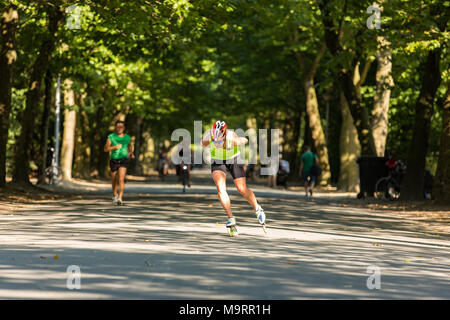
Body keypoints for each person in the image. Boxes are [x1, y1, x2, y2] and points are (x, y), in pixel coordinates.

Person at [201, 120, 266, 236]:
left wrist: (241, 140)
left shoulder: (231, 136)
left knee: (241, 189)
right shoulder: (209, 134)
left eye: (219, 139)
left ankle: (257, 208)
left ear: (224, 134)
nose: (217, 141)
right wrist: (206, 142)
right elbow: (203, 143)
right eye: (214, 139)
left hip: (234, 159)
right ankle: (231, 218)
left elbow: (244, 140)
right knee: (220, 189)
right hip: (217, 160)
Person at [104, 120, 134, 205]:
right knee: (114, 179)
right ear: (115, 127)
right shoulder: (111, 137)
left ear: (124, 128)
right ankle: (114, 195)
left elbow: (130, 146)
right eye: (118, 127)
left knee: (121, 178)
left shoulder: (127, 137)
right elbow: (105, 149)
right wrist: (114, 147)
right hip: (114, 159)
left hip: (124, 159)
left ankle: (120, 198)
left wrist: (131, 153)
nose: (119, 128)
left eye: (121, 127)